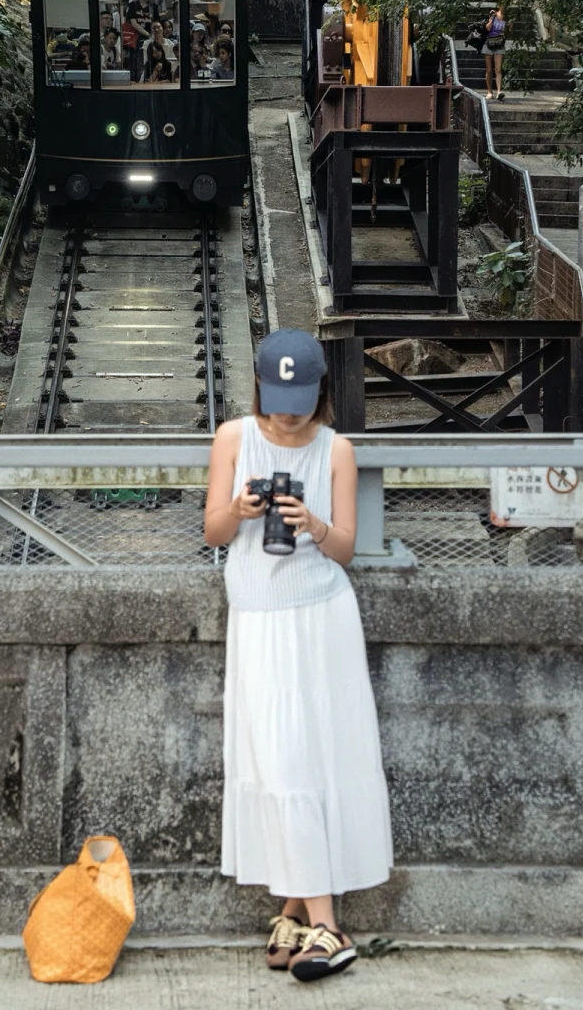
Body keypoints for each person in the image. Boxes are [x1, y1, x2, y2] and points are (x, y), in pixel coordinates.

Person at [203, 329, 392, 983]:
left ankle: (326, 926)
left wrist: (313, 525)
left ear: (321, 392)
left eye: (301, 402)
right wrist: (239, 508)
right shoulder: (233, 438)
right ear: (260, 387)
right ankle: (298, 912)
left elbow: (345, 549)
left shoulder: (336, 449)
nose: (289, 416)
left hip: (320, 616)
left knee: (311, 760)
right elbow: (213, 532)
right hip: (257, 617)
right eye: (279, 401)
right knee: (277, 760)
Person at [483, 4, 506, 99]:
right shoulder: (493, 14)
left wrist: (510, 26)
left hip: (499, 43)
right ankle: (489, 91)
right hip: (489, 42)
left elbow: (509, 32)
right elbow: (488, 28)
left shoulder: (507, 18)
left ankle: (499, 91)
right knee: (489, 69)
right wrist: (492, 18)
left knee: (498, 69)